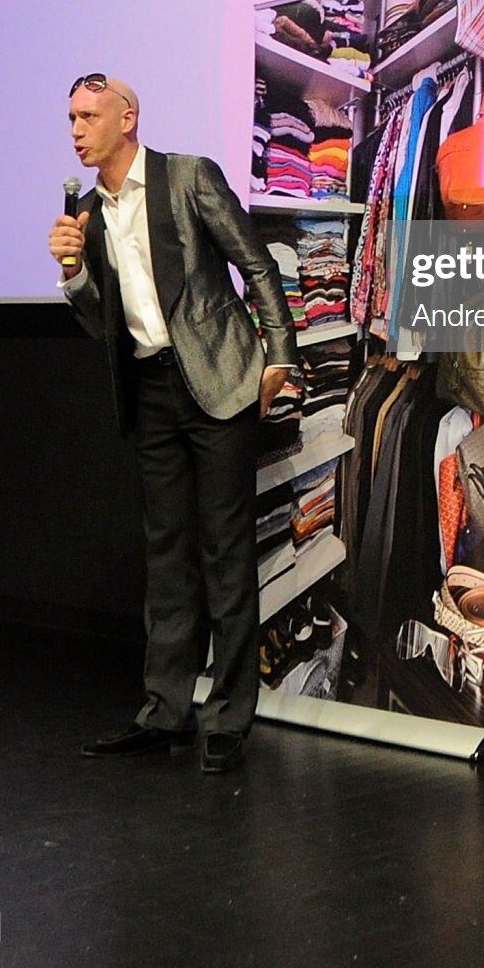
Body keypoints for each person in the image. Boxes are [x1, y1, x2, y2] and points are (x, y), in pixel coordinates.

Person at [48, 72, 297, 774]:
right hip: (150, 389)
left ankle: (228, 717)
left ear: (127, 117)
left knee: (225, 553)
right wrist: (72, 272)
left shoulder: (188, 178)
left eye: (88, 115)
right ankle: (165, 712)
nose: (75, 129)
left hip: (217, 382)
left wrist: (281, 354)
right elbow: (103, 323)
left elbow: (258, 266)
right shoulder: (91, 214)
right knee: (166, 557)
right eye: (70, 117)